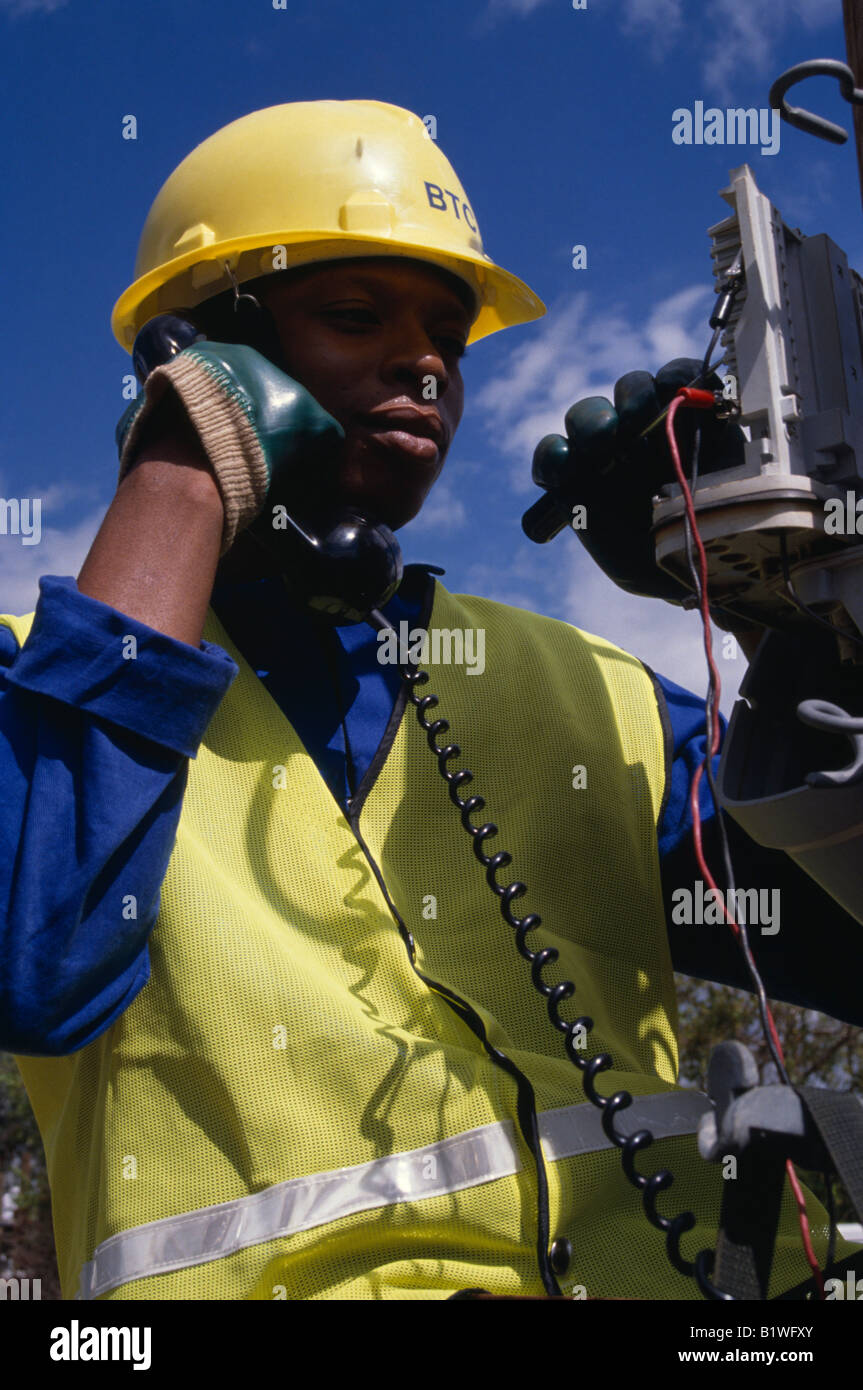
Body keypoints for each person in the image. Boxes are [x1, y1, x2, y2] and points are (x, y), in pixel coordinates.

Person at [0, 99, 859, 1302]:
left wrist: (786, 613)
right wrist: (180, 474)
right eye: (357, 317)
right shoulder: (37, 681)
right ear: (199, 349)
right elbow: (36, 968)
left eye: (448, 341)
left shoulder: (593, 695)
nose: (426, 366)